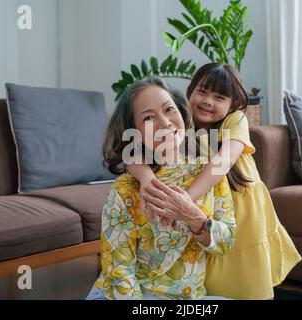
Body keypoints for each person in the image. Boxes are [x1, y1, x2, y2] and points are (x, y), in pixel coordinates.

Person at [127, 63, 302, 300]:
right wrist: (147, 179)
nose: (208, 101)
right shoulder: (179, 123)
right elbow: (134, 151)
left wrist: (187, 197)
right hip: (208, 211)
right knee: (212, 275)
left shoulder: (235, 120)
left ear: (234, 104)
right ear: (190, 91)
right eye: (202, 91)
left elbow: (223, 161)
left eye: (219, 97)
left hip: (242, 211)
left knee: (247, 275)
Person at [86, 76, 236, 300]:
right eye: (148, 118)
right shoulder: (125, 190)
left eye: (169, 109)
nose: (165, 123)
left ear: (183, 115)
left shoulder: (208, 174)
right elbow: (120, 273)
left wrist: (194, 217)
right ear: (134, 132)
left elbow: (226, 242)